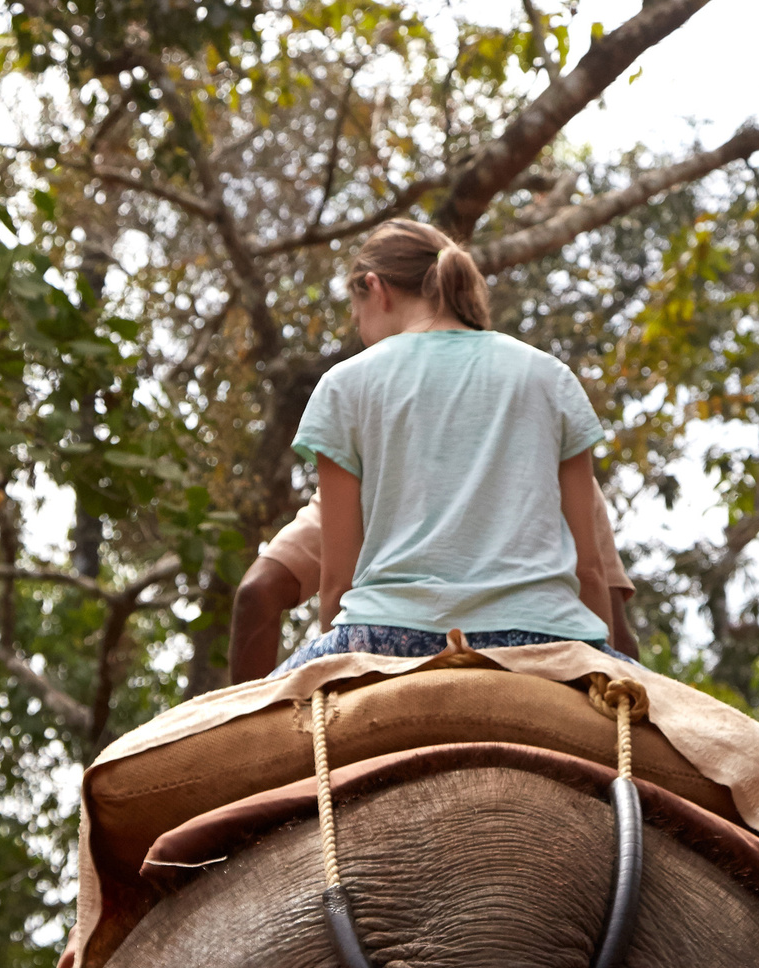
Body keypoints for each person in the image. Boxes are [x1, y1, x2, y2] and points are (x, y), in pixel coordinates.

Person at [269, 219, 631, 676]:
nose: (360, 329)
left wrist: (335, 675)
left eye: (357, 314)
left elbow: (338, 582)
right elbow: (590, 570)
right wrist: (602, 669)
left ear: (376, 288)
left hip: (387, 637)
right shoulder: (550, 376)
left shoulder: (344, 385)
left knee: (236, 715)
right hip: (548, 637)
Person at [228, 486, 638, 682]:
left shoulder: (367, 471)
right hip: (547, 659)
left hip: (384, 652)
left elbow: (256, 594)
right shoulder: (561, 465)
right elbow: (615, 629)